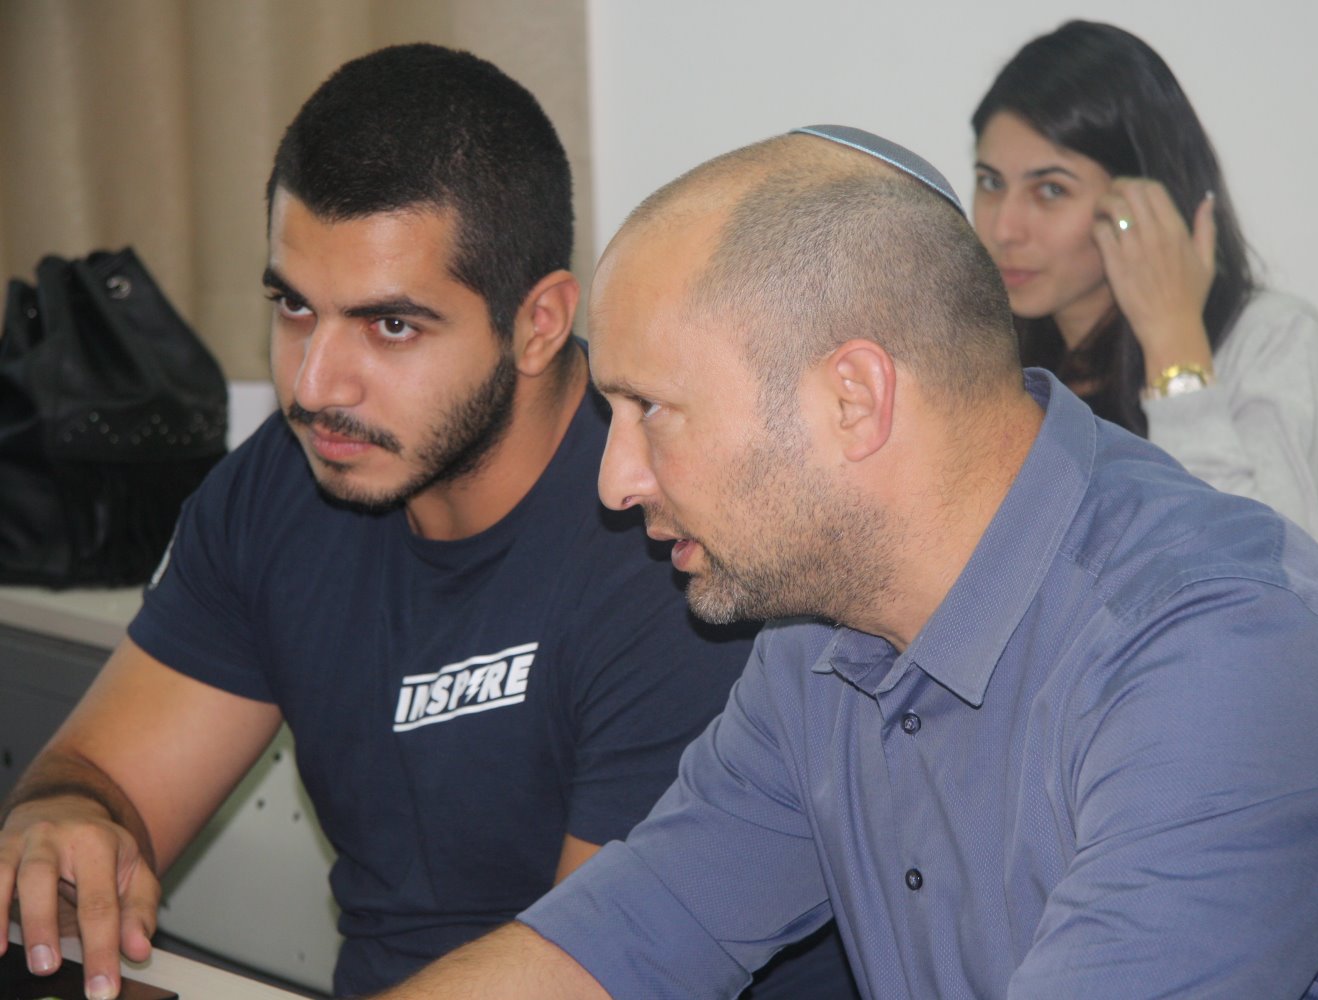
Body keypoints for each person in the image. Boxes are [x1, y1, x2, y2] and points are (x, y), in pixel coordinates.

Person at [365, 127, 1318, 999]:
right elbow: (624, 937)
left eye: (650, 409)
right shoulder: (818, 637)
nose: (614, 483)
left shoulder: (1215, 660)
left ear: (855, 399)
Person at [0, 45, 856, 1000]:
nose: (315, 385)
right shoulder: (281, 485)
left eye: (391, 325)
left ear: (538, 323)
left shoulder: (673, 539)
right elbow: (101, 777)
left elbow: (602, 969)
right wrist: (64, 821)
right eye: (294, 307)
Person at [970, 20, 1318, 545]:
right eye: (990, 182)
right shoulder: (986, 352)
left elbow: (1266, 572)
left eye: (1050, 190)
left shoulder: (1271, 337)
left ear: (1147, 199)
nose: (1004, 228)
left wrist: (1174, 344)